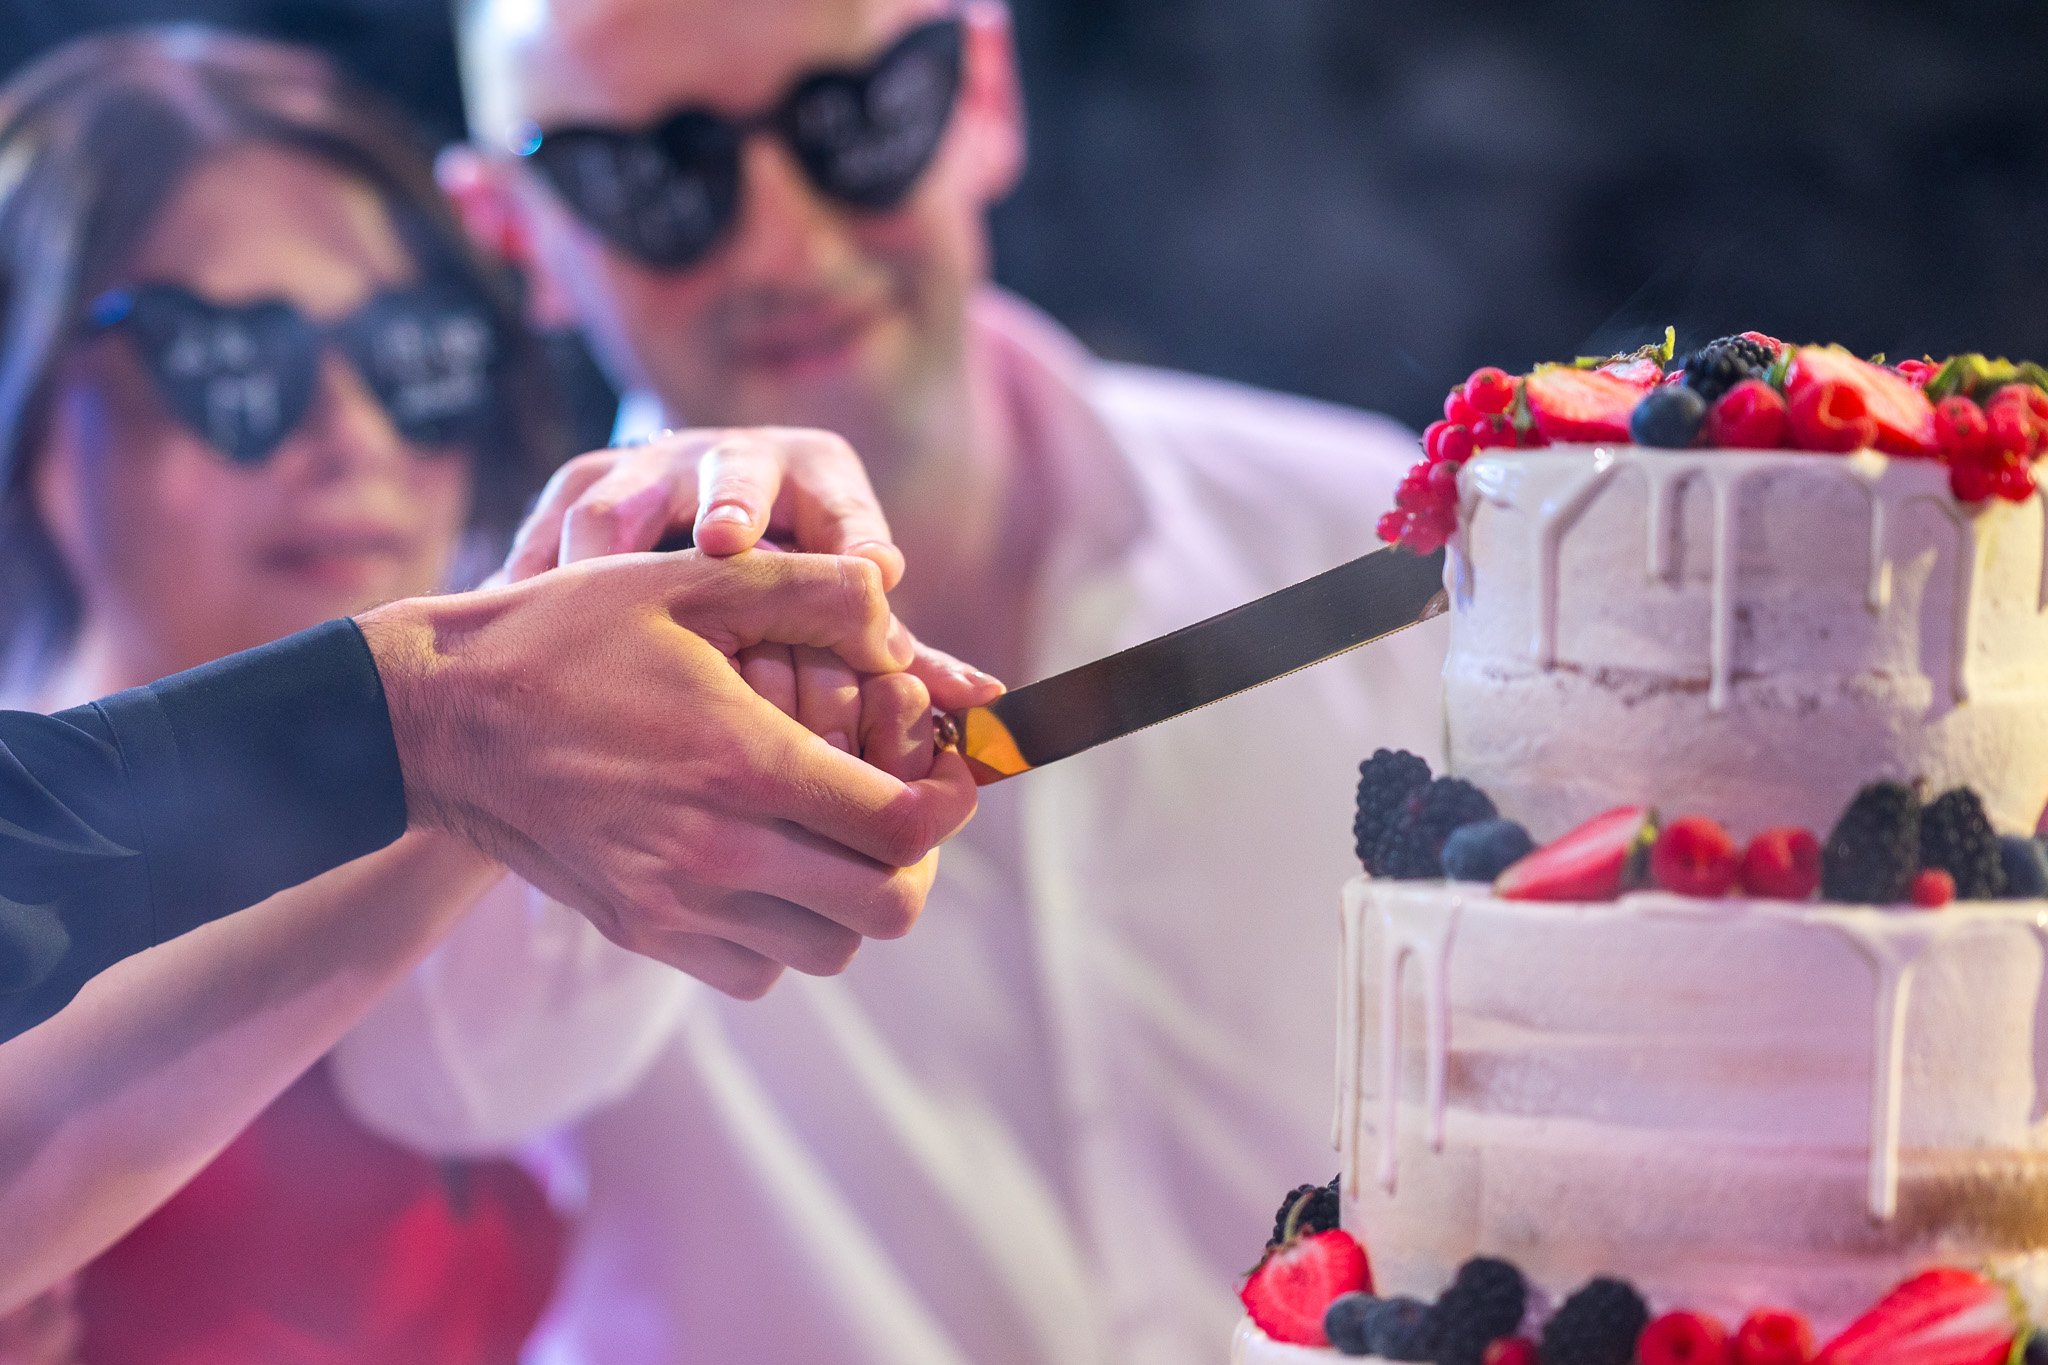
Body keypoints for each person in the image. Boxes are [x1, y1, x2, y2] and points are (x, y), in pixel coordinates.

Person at [334, 1, 1453, 1361]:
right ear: (519, 230)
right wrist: (536, 712)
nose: (783, 240)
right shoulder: (464, 689)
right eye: (655, 178)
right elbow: (445, 1082)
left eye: (857, 121)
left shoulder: (1352, 536)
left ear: (983, 88)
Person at [0, 28, 990, 1345]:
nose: (348, 435)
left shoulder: (486, 848)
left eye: (415, 357)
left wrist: (679, 559)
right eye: (232, 363)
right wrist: (471, 728)